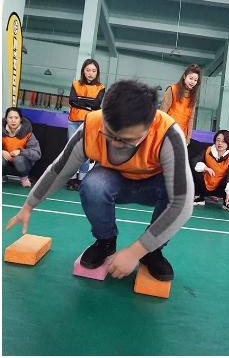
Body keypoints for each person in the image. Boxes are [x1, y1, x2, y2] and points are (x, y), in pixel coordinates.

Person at [6, 80, 194, 282]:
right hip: (114, 183)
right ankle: (105, 242)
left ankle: (153, 251)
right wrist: (29, 205)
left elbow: (182, 203)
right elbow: (59, 171)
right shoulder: (92, 125)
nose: (116, 143)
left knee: (174, 193)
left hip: (154, 188)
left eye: (127, 140)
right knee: (93, 185)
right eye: (110, 135)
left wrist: (136, 251)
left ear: (149, 126)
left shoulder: (168, 133)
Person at [66, 58, 106, 191]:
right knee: (72, 151)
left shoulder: (101, 87)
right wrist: (89, 104)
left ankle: (81, 180)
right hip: (73, 122)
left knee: (85, 152)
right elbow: (72, 101)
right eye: (88, 70)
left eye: (94, 71)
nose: (90, 73)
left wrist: (81, 101)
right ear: (83, 71)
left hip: (90, 123)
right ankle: (71, 179)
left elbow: (96, 104)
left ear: (97, 72)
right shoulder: (75, 84)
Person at [193, 129, 229, 213]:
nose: (220, 143)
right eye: (218, 140)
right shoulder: (208, 150)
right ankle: (200, 197)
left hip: (221, 188)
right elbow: (194, 161)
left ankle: (227, 203)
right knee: (196, 169)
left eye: (223, 141)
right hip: (205, 185)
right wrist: (205, 168)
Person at [160, 64, 201, 145]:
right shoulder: (172, 89)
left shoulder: (193, 96)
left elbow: (191, 119)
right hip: (168, 132)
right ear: (184, 76)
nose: (192, 82)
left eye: (195, 80)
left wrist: (188, 139)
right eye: (191, 78)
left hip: (182, 136)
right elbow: (162, 113)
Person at [2, 107, 41, 188]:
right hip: (5, 160)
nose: (13, 120)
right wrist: (1, 152)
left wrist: (20, 152)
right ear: (6, 119)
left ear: (20, 120)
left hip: (22, 163)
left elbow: (37, 154)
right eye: (10, 117)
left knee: (19, 160)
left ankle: (24, 178)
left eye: (16, 118)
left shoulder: (28, 133)